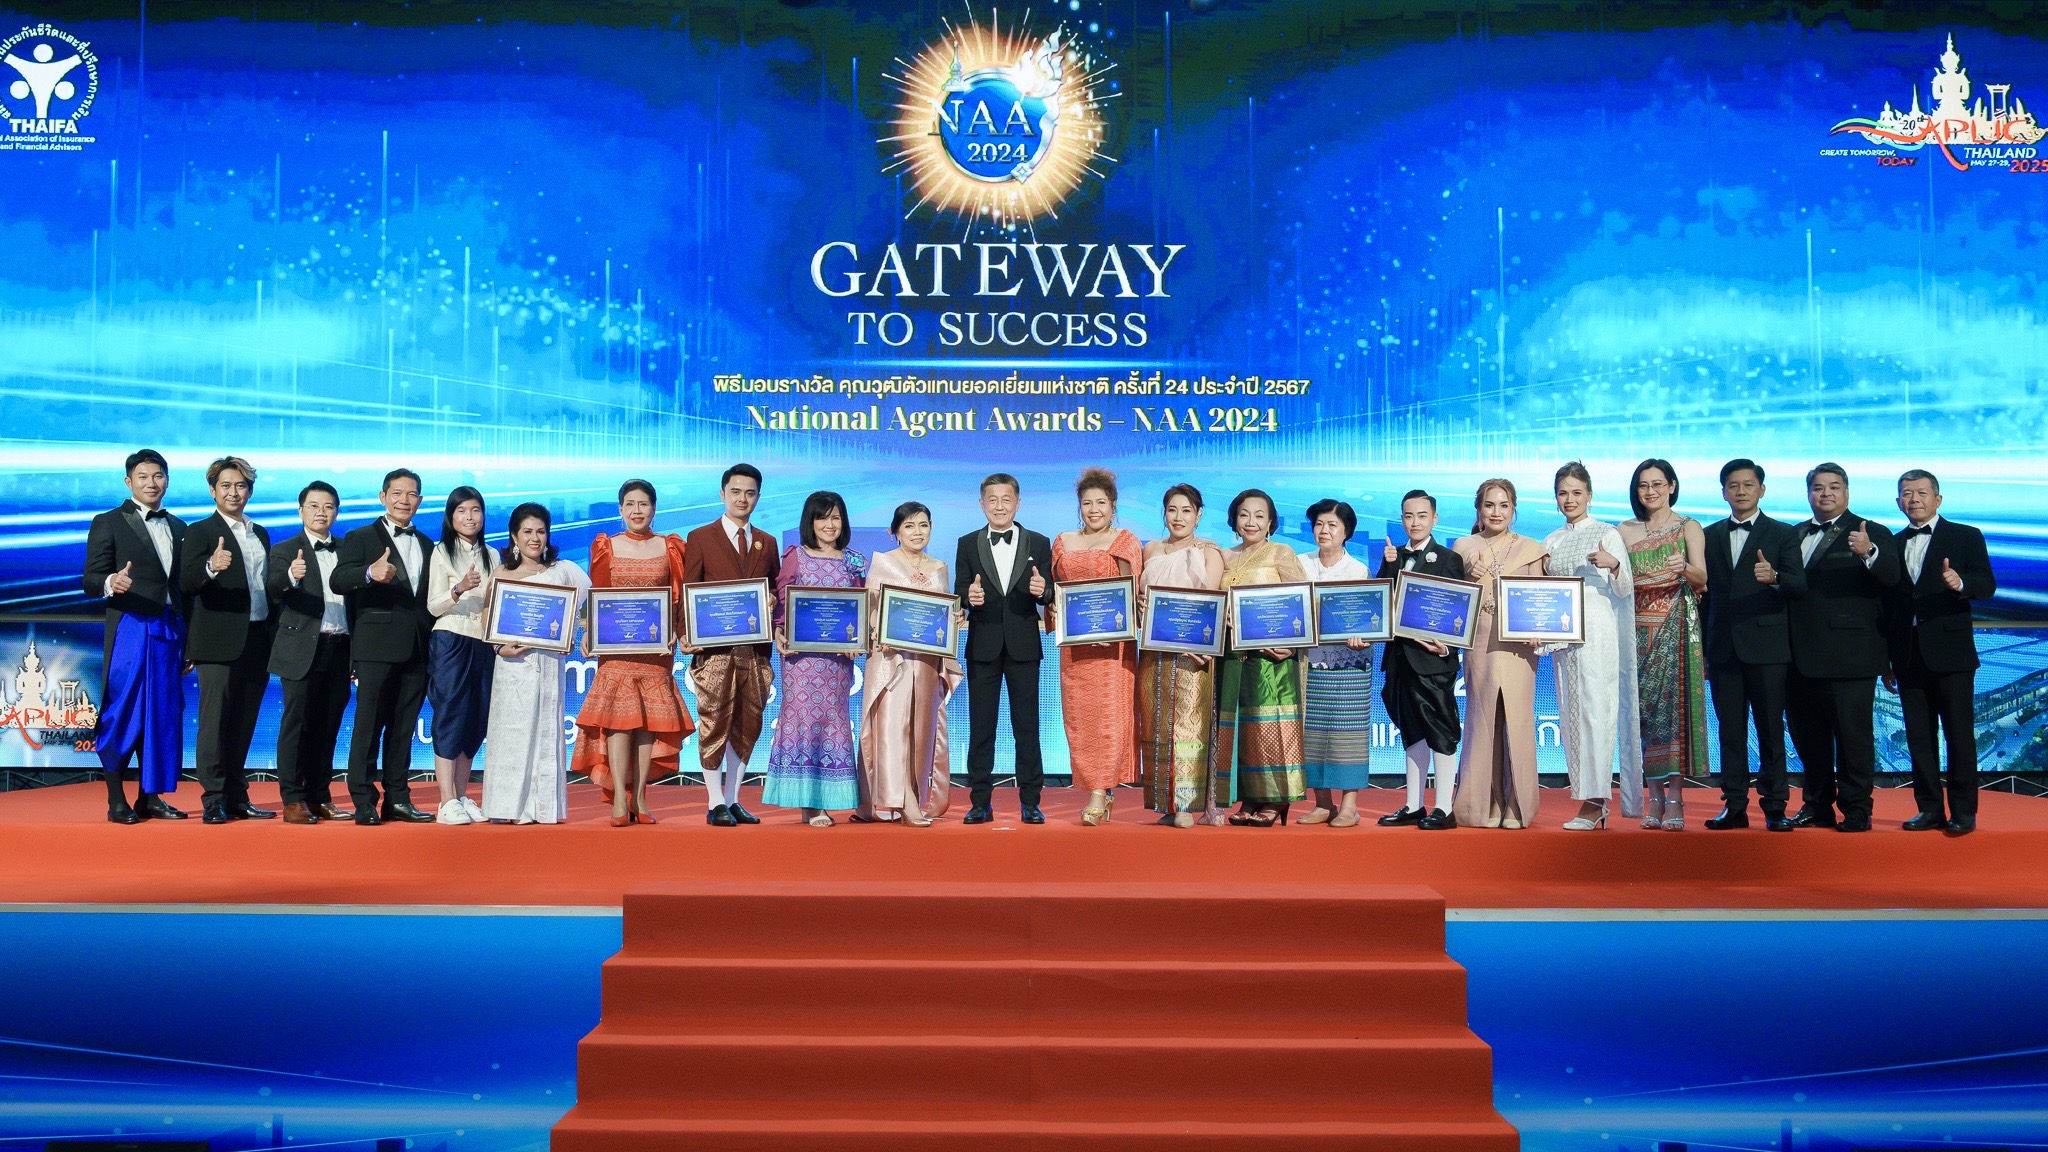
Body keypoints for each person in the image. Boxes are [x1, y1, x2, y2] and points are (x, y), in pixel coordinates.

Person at [1786, 463, 1900, 832]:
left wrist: (1869, 553)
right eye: (1818, 488)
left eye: (1834, 487)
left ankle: (1857, 808)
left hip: (1851, 655)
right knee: (1808, 738)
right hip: (1797, 655)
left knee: (1853, 738)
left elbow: (1892, 579)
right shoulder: (1793, 534)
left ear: (1847, 492)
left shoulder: (1870, 531)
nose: (1826, 494)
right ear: (1808, 494)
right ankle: (1817, 805)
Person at [574, 479, 695, 826]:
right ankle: (617, 800)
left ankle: (640, 797)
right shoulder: (605, 546)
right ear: (620, 509)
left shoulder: (671, 547)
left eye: (643, 504)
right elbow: (598, 595)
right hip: (615, 649)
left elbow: (678, 599)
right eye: (630, 504)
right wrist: (588, 631)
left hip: (655, 649)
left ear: (654, 508)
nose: (636, 510)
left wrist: (681, 633)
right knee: (617, 721)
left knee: (647, 724)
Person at [82, 449, 190, 823]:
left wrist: (189, 641)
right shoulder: (108, 521)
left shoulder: (179, 527)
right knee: (123, 710)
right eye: (143, 476)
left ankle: (151, 798)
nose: (151, 483)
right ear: (129, 482)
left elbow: (183, 589)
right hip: (130, 625)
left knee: (162, 714)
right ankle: (116, 799)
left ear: (167, 481)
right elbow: (90, 578)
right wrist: (111, 581)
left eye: (158, 476)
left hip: (169, 629)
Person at [1885, 470, 1995, 835]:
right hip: (1907, 655)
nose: (1914, 499)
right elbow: (1888, 608)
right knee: (1919, 738)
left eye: (1921, 492)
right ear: (1898, 502)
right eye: (1906, 493)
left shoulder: (1965, 536)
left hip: (1952, 653)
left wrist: (1960, 583)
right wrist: (1887, 661)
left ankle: (1964, 812)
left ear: (1938, 499)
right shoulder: (1893, 544)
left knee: (1959, 736)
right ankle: (1929, 808)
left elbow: (1986, 585)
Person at [1701, 459, 1806, 832]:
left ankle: (1775, 806)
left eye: (1748, 484)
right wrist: (1703, 650)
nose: (1741, 491)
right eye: (1733, 485)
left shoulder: (1783, 533)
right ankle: (1734, 806)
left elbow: (1799, 585)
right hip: (1723, 650)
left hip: (1768, 650)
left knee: (1770, 731)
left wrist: (1775, 577)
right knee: (1730, 733)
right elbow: (1704, 598)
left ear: (1761, 489)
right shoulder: (1709, 535)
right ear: (1724, 492)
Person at [331, 468, 438, 824]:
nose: (404, 500)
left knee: (404, 727)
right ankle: (363, 799)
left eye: (412, 494)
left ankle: (398, 798)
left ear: (420, 500)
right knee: (369, 725)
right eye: (397, 493)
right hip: (375, 647)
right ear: (383, 497)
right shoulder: (360, 537)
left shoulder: (427, 543)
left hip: (418, 648)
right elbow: (338, 579)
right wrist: (368, 573)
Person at [1541, 462, 1641, 831]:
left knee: (1597, 713)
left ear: (1590, 495)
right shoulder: (1551, 540)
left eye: (1576, 492)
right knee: (1572, 715)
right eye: (1563, 493)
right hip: (1563, 636)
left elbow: (1625, 589)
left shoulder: (1606, 533)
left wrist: (1614, 566)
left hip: (1597, 633)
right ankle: (1586, 796)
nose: (1570, 499)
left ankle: (1596, 800)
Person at [179, 456, 277, 824]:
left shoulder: (260, 533)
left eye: (240, 485)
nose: (233, 492)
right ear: (212, 490)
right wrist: (210, 567)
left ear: (249, 490)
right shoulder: (200, 531)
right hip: (217, 641)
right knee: (215, 722)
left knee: (244, 721)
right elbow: (187, 582)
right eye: (226, 486)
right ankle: (213, 798)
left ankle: (237, 795)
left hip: (257, 637)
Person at [682, 464, 782, 826]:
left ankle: (734, 799)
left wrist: (773, 600)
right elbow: (688, 589)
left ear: (758, 497)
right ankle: (714, 802)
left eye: (750, 493)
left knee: (748, 723)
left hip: (755, 652)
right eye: (736, 492)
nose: (743, 499)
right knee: (714, 721)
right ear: (723, 494)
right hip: (714, 652)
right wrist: (684, 633)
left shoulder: (767, 542)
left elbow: (774, 588)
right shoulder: (700, 537)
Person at [955, 473, 1056, 825]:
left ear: (1018, 502)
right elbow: (961, 590)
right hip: (982, 645)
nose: (999, 506)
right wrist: (969, 597)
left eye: (1006, 499)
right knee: (981, 728)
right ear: (981, 504)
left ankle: (1031, 802)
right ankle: (980, 802)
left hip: (1024, 646)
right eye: (992, 500)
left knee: (1027, 727)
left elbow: (1049, 591)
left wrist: (1044, 591)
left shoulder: (1039, 543)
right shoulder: (967, 543)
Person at [481, 503, 589, 824]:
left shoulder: (563, 570)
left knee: (545, 730)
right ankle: (506, 807)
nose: (535, 538)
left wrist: (573, 633)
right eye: (527, 531)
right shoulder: (502, 574)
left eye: (540, 531)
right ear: (514, 536)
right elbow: (486, 615)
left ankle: (542, 808)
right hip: (512, 664)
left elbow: (590, 605)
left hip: (549, 663)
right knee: (511, 732)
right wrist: (499, 647)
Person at [764, 490, 866, 826]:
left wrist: (858, 639)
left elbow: (861, 606)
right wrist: (779, 631)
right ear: (810, 521)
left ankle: (827, 799)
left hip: (837, 662)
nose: (829, 524)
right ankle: (808, 803)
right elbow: (782, 601)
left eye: (836, 517)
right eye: (822, 517)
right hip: (801, 661)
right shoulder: (795, 556)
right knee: (803, 721)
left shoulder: (854, 560)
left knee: (833, 721)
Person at [858, 502, 964, 825]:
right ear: (895, 532)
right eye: (909, 526)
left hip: (927, 662)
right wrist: (878, 629)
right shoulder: (883, 563)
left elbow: (941, 614)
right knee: (892, 729)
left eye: (923, 525)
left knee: (921, 731)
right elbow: (871, 609)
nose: (917, 532)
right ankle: (901, 801)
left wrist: (956, 619)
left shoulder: (939, 568)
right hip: (892, 660)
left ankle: (914, 797)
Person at [1453, 479, 1549, 830]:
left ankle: (1517, 804)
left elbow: (1540, 596)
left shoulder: (1531, 548)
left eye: (1504, 505)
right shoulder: (1464, 546)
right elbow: (1452, 595)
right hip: (1480, 641)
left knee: (1517, 720)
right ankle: (1486, 801)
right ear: (1478, 509)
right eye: (1489, 505)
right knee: (1483, 720)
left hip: (1519, 646)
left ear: (1513, 509)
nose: (1496, 512)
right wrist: (1467, 572)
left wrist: (1540, 630)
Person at [1620, 459, 1710, 830]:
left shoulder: (1688, 527)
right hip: (1634, 632)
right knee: (1643, 715)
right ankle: (1652, 797)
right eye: (1643, 485)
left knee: (1672, 715)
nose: (1651, 491)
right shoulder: (1624, 531)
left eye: (1658, 484)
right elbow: (1619, 582)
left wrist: (1683, 567)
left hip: (1675, 629)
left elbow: (1702, 577)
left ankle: (1675, 798)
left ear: (1671, 486)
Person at [1051, 468, 1143, 825]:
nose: (1094, 510)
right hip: (1076, 649)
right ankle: (1096, 788)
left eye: (1101, 503)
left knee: (1108, 719)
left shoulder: (1125, 541)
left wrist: (1116, 627)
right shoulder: (1062, 541)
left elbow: (1131, 593)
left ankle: (1099, 793)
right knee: (1079, 720)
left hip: (1111, 649)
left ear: (1113, 505)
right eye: (1087, 503)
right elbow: (1056, 594)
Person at [1215, 488, 1308, 827]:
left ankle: (1278, 798)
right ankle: (1251, 796)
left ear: (1271, 522)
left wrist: (1293, 645)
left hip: (1273, 659)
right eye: (1244, 514)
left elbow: (1304, 602)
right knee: (1243, 729)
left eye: (1259, 515)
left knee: (1272, 726)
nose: (1251, 522)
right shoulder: (1224, 557)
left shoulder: (1281, 552)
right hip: (1233, 657)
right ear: (1234, 520)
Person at [265, 480, 356, 824]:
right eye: (314, 506)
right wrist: (291, 575)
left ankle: (320, 796)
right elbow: (273, 588)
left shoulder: (348, 550)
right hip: (301, 648)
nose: (322, 512)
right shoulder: (286, 549)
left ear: (337, 512)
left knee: (328, 726)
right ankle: (292, 798)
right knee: (297, 725)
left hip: (340, 647)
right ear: (301, 510)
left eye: (329, 506)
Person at [1136, 483, 1225, 828]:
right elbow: (1141, 600)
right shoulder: (1150, 549)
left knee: (1189, 723)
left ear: (1198, 515)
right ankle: (1165, 802)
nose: (1178, 517)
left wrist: (1195, 642)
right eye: (1172, 510)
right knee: (1157, 723)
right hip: (1154, 653)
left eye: (1186, 510)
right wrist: (1139, 605)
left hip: (1193, 653)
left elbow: (1211, 604)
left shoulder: (1209, 553)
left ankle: (1186, 803)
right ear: (1164, 514)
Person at [1376, 491, 1465, 831]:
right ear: (1402, 519)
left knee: (1440, 731)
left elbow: (1459, 610)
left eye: (1422, 515)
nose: (1415, 522)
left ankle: (1444, 807)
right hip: (1399, 660)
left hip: (1433, 662)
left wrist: (1447, 649)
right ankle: (1414, 804)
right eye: (1408, 516)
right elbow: (1379, 602)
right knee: (1411, 732)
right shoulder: (1393, 555)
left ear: (1434, 519)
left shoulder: (1449, 558)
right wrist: (1388, 565)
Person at [1297, 498, 1374, 827]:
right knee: (1311, 733)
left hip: (1350, 663)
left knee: (1347, 734)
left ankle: (1349, 806)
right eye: (1319, 524)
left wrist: (1365, 636)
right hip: (1309, 662)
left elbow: (1370, 617)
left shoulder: (1358, 570)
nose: (1324, 530)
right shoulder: (1299, 563)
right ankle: (1323, 803)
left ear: (1346, 532)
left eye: (1332, 525)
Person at [424, 486, 499, 825]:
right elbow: (432, 605)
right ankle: (445, 800)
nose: (470, 517)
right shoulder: (441, 552)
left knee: (475, 719)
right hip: (450, 638)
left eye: (475, 510)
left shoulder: (493, 555)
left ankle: (462, 795)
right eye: (462, 511)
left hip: (482, 642)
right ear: (451, 517)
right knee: (450, 714)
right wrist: (459, 589)